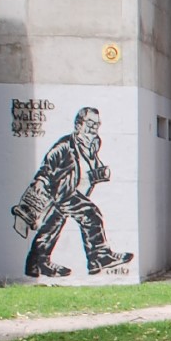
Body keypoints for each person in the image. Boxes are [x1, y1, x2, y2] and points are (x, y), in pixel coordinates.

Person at [10, 107, 132, 277]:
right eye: (90, 123)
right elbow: (48, 165)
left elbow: (86, 165)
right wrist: (41, 180)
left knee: (52, 225)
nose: (94, 128)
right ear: (78, 125)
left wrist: (98, 174)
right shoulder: (65, 145)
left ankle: (37, 263)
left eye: (97, 124)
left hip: (71, 191)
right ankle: (99, 256)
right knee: (90, 214)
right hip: (61, 192)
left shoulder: (94, 143)